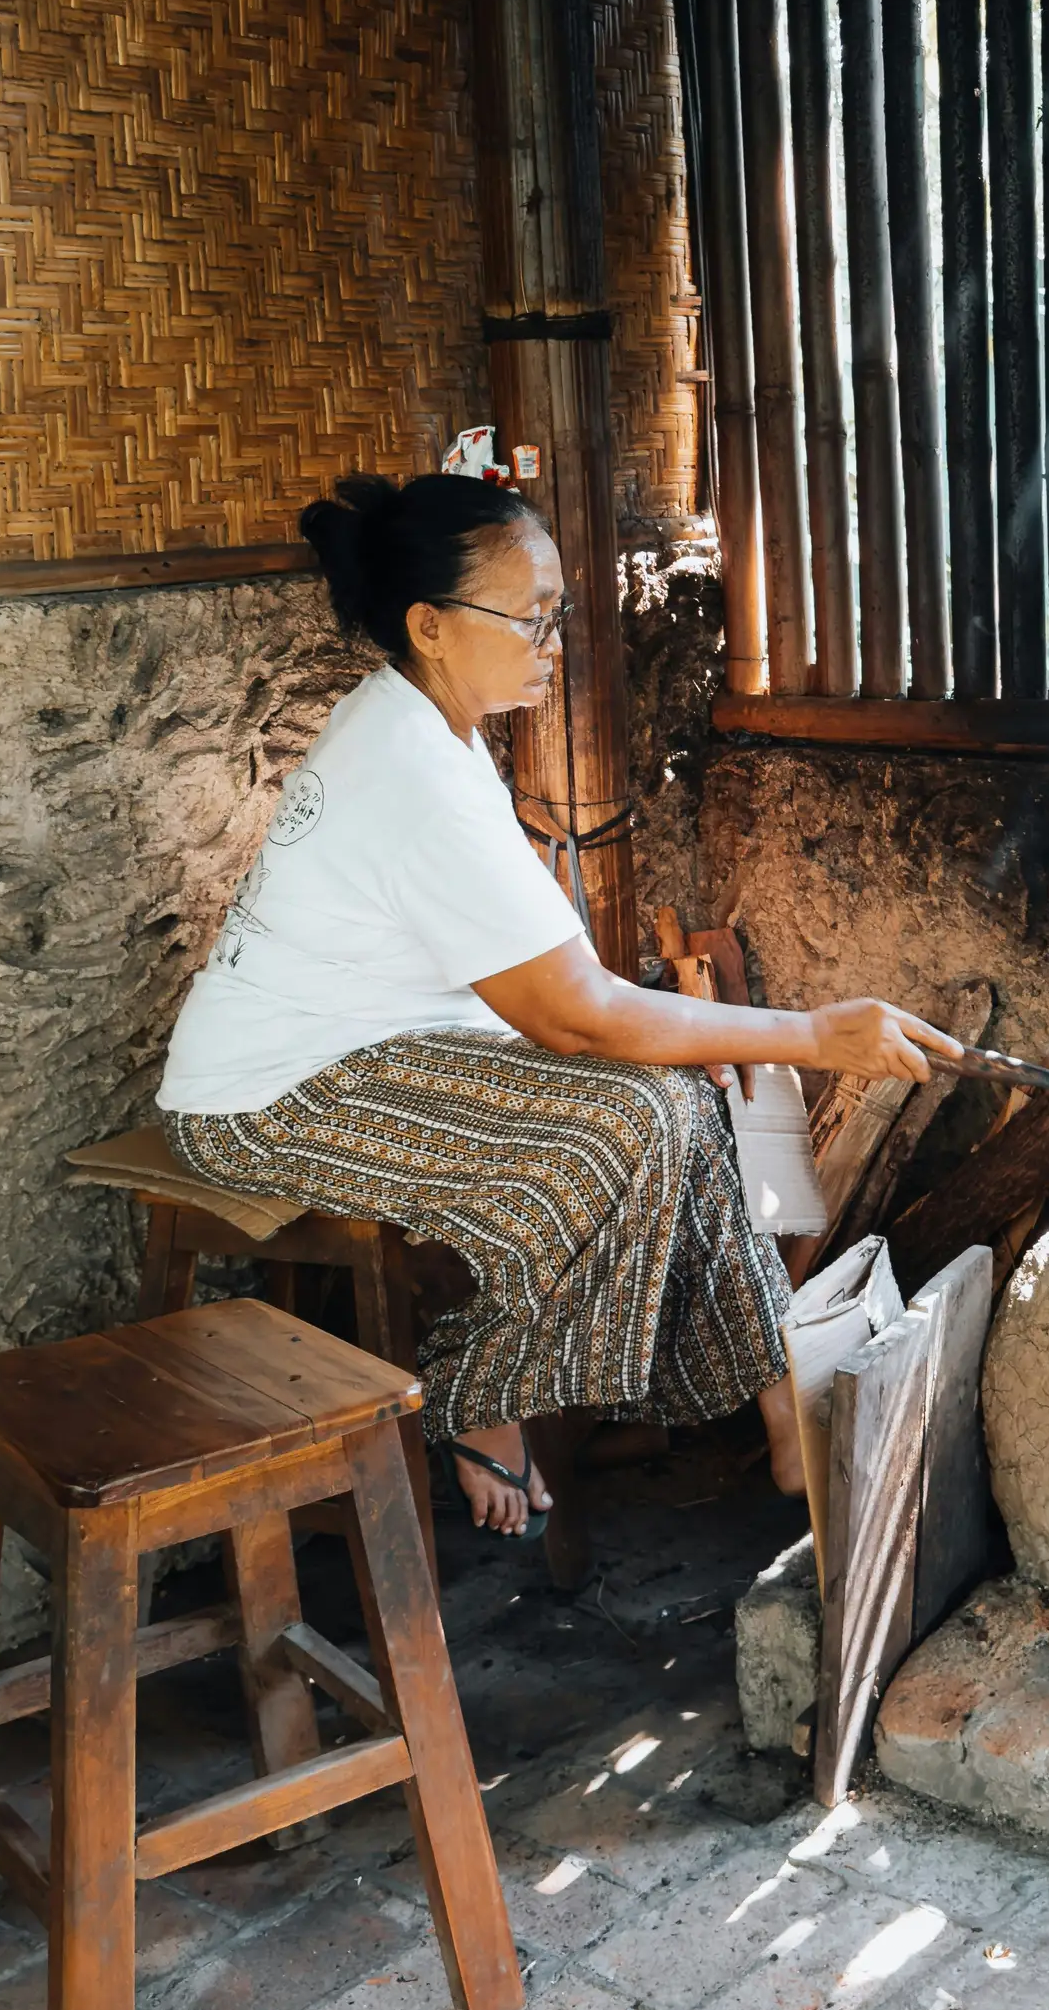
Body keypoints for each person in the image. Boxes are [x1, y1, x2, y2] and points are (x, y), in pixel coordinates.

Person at [157, 469, 959, 1540]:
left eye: (558, 614)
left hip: (382, 1048)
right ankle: (477, 1394)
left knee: (673, 1099)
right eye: (530, 618)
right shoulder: (408, 764)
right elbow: (573, 1013)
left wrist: (681, 1041)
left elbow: (543, 987)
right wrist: (814, 1034)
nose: (553, 644)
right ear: (430, 625)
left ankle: (780, 1408)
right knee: (632, 1120)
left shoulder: (433, 725)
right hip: (265, 1098)